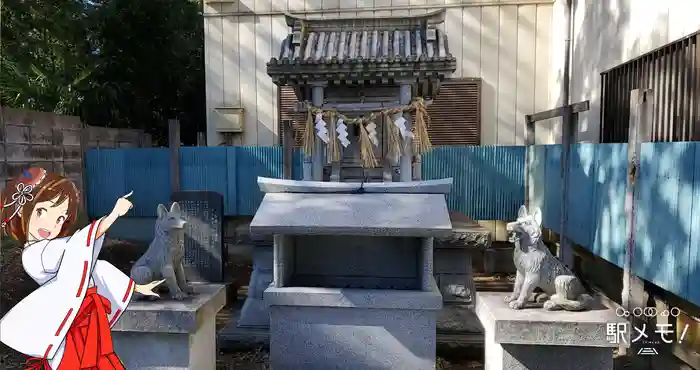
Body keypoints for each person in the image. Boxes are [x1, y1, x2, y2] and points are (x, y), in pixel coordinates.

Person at [0, 168, 164, 369]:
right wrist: (113, 215)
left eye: (60, 218)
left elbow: (94, 266)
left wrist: (136, 288)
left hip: (85, 314)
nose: (52, 223)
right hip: (71, 320)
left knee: (96, 360)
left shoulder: (59, 246)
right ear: (23, 211)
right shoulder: (34, 254)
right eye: (43, 211)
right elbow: (78, 245)